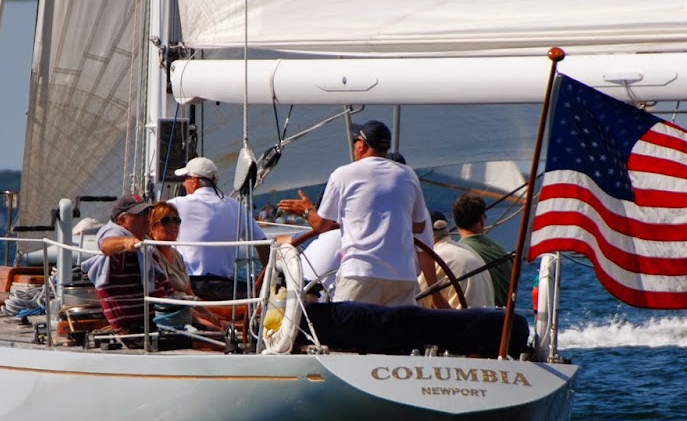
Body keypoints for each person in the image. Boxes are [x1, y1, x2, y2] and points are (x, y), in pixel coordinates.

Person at [277, 119, 428, 307]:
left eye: (355, 141)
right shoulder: (408, 174)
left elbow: (321, 226)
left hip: (360, 272)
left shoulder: (343, 174)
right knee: (395, 335)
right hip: (403, 276)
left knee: (346, 332)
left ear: (362, 145)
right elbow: (420, 225)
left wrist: (307, 210)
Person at [81, 193, 187, 335]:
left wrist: (211, 320)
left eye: (146, 213)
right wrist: (126, 242)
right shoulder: (119, 250)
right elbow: (105, 245)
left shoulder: (148, 252)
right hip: (137, 334)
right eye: (140, 214)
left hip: (158, 326)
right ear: (122, 221)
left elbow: (168, 293)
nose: (147, 218)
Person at [168, 156, 270, 300]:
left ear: (195, 180)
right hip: (226, 288)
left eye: (185, 178)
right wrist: (267, 279)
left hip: (190, 286)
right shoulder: (236, 207)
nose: (184, 183)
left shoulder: (176, 205)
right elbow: (263, 244)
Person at [452, 192, 513, 306]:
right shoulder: (501, 251)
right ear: (482, 220)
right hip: (505, 318)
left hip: (480, 319)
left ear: (456, 222)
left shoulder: (456, 254)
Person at [421, 212, 493, 309]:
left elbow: (415, 300)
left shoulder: (435, 257)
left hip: (462, 321)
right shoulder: (467, 250)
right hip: (487, 318)